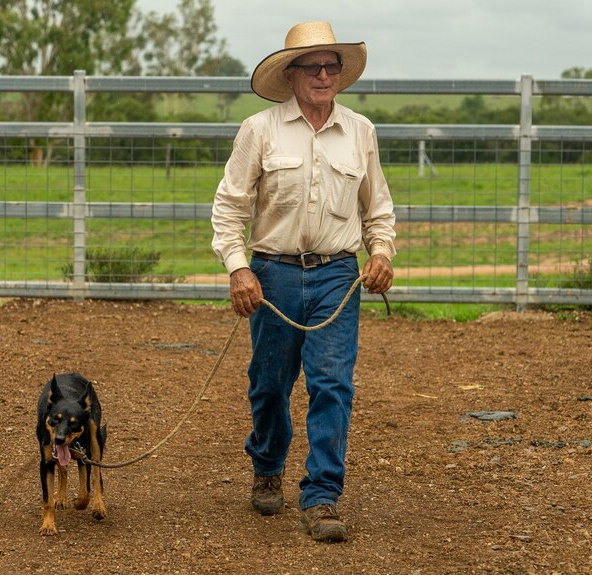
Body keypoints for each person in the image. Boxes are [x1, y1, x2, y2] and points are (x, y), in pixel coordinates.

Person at [210, 21, 396, 543]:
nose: (322, 74)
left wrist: (380, 252)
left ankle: (321, 495)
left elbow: (377, 208)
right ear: (289, 75)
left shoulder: (361, 131)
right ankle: (267, 462)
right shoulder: (260, 130)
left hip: (338, 272)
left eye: (331, 65)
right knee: (270, 384)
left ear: (340, 74)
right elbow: (228, 208)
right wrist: (238, 267)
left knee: (332, 383)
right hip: (273, 273)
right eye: (311, 66)